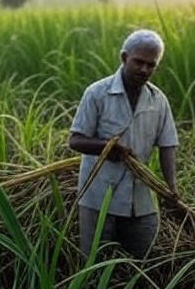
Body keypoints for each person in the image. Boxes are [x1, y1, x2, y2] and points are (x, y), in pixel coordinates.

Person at [68, 29, 179, 260]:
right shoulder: (97, 93)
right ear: (124, 57)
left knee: (142, 261)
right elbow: (75, 140)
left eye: (151, 65)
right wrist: (107, 148)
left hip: (141, 198)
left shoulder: (158, 100)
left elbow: (168, 144)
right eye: (139, 62)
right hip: (98, 197)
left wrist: (171, 188)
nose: (144, 70)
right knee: (95, 264)